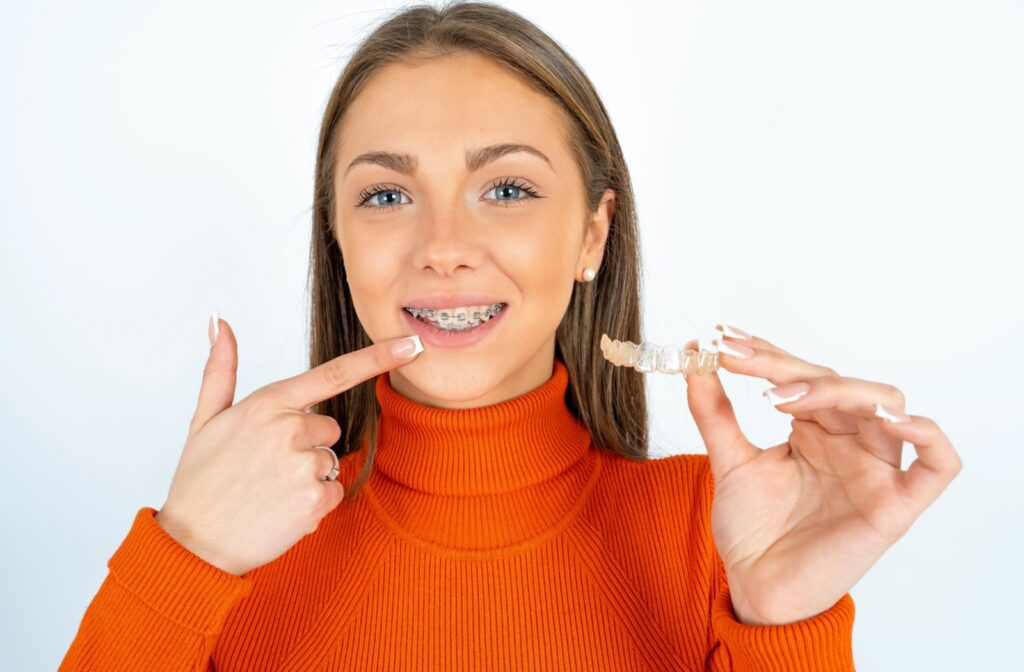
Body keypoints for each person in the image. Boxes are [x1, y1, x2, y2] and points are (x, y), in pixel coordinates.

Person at [59, 2, 962, 670]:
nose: (444, 248)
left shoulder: (719, 539)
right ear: (336, 236)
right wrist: (180, 559)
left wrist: (786, 621)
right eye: (384, 195)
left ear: (594, 235)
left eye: (508, 189)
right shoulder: (228, 543)